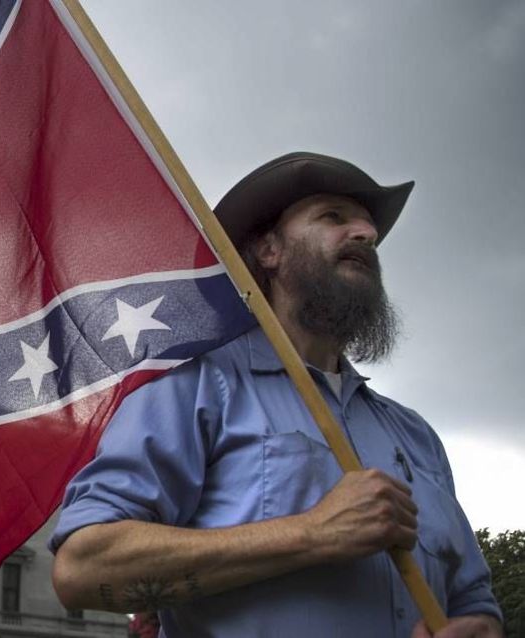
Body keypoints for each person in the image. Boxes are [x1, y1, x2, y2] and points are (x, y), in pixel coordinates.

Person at [49, 152, 504, 637]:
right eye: (333, 217)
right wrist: (311, 534)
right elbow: (84, 569)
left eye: (368, 228)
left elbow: (473, 598)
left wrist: (479, 626)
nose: (366, 235)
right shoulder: (194, 384)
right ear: (269, 251)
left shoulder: (415, 435)